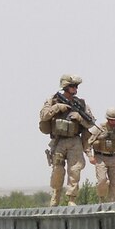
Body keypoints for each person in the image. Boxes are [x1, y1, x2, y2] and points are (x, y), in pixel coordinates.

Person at [39, 74, 95, 206]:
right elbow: (43, 115)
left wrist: (79, 117)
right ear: (65, 86)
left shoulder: (80, 103)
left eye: (76, 86)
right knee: (58, 169)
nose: (76, 88)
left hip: (74, 140)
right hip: (59, 140)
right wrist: (57, 107)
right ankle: (56, 194)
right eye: (73, 86)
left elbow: (91, 122)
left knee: (75, 170)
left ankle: (71, 198)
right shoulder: (53, 100)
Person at [88, 108, 115, 202]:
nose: (113, 122)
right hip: (100, 157)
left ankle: (112, 202)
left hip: (114, 157)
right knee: (102, 180)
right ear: (107, 119)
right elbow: (88, 143)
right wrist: (90, 156)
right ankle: (102, 199)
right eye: (111, 120)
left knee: (114, 183)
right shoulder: (99, 128)